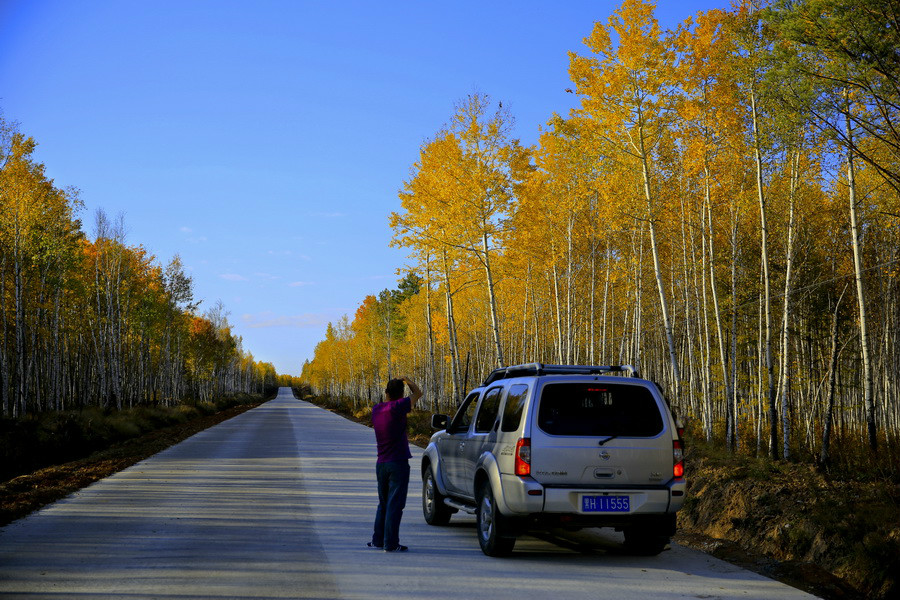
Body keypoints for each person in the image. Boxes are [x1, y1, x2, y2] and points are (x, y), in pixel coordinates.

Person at [368, 375, 422, 552]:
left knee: (383, 503)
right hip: (397, 462)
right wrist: (407, 379)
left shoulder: (377, 409)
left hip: (381, 463)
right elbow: (418, 393)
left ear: (386, 392)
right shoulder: (399, 407)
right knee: (395, 504)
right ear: (401, 394)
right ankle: (390, 543)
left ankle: (378, 540)